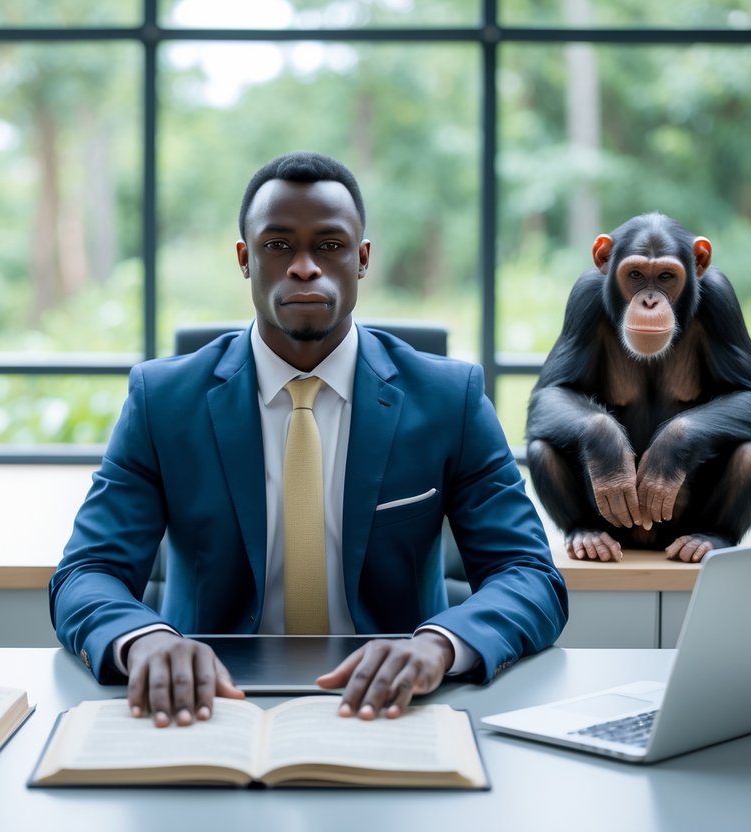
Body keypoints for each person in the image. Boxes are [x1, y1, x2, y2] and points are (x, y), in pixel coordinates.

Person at [50, 151, 568, 727]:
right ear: (245, 260)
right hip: (207, 704)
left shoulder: (450, 399)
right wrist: (143, 639)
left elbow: (529, 574)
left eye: (329, 245)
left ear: (362, 258)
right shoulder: (163, 401)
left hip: (398, 705)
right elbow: (86, 571)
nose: (304, 267)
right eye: (278, 246)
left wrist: (438, 646)